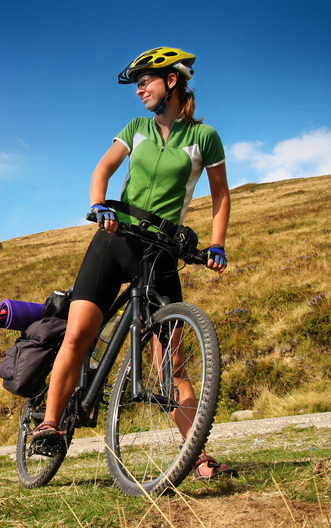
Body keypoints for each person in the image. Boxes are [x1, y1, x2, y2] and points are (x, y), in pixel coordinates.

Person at [33, 47, 236, 480]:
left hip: (162, 252)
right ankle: (49, 422)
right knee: (79, 333)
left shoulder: (205, 137)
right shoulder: (136, 128)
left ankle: (196, 455)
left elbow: (221, 196)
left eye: (148, 79)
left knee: (172, 365)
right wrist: (98, 205)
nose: (141, 88)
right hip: (115, 239)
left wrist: (216, 245)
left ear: (174, 82)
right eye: (138, 81)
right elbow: (103, 169)